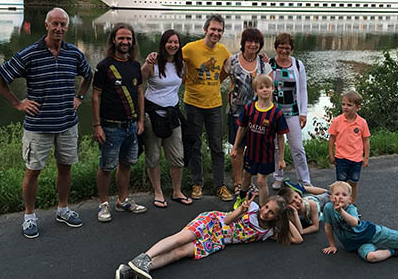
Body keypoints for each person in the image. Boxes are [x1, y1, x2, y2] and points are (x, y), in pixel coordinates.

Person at [0, 7, 92, 239]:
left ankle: (63, 209)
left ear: (67, 27)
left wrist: (80, 97)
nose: (58, 28)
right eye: (54, 23)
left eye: (62, 24)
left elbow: (88, 75)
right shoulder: (30, 54)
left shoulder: (74, 53)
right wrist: (17, 104)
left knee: (65, 168)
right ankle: (29, 216)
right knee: (32, 171)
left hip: (67, 123)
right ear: (46, 25)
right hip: (38, 127)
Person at [115, 195, 303, 279]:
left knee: (180, 252)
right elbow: (228, 220)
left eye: (271, 213)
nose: (265, 212)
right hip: (213, 221)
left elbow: (298, 239)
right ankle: (144, 258)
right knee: (180, 238)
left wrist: (291, 214)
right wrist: (241, 210)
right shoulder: (251, 209)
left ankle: (133, 270)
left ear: (277, 217)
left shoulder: (267, 232)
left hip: (216, 241)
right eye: (266, 207)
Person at [92, 22, 147, 223]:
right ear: (113, 40)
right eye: (121, 38)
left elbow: (139, 93)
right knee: (106, 166)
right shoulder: (104, 66)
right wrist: (96, 125)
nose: (125, 42)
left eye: (128, 38)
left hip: (131, 126)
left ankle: (122, 200)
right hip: (110, 125)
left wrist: (141, 120)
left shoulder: (134, 65)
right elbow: (96, 96)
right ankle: (104, 203)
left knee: (126, 164)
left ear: (133, 41)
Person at [322, 181, 398, 262]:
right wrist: (332, 245)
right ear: (331, 197)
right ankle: (396, 251)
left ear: (350, 199)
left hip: (371, 232)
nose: (340, 197)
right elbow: (328, 227)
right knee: (371, 257)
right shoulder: (328, 208)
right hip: (357, 245)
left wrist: (341, 212)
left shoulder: (351, 209)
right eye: (337, 194)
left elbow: (354, 223)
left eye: (344, 194)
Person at [180, 14, 232, 201]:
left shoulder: (223, 51)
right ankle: (197, 183)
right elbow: (173, 59)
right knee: (195, 145)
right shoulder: (190, 48)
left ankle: (220, 185)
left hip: (215, 105)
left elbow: (226, 70)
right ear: (205, 29)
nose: (216, 33)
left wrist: (217, 82)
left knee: (217, 147)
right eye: (213, 29)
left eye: (219, 30)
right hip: (193, 104)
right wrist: (184, 79)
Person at [141, 29, 192, 208]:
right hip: (152, 115)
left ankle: (177, 191)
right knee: (153, 156)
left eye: (176, 42)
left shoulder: (181, 64)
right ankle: (158, 192)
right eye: (169, 42)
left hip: (172, 114)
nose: (173, 45)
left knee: (177, 156)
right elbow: (137, 85)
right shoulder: (152, 64)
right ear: (163, 44)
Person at [224, 28, 272, 196]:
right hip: (236, 112)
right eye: (249, 41)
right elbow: (218, 78)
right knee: (237, 149)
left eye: (256, 42)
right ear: (243, 43)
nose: (252, 45)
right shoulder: (232, 61)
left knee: (253, 150)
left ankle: (247, 182)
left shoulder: (263, 63)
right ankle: (237, 182)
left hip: (258, 115)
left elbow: (270, 88)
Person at [231, 74, 287, 208]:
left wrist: (281, 159)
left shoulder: (276, 113)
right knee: (246, 177)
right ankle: (242, 200)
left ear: (273, 88)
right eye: (261, 88)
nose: (265, 90)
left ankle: (263, 209)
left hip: (266, 155)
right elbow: (242, 128)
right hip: (251, 153)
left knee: (262, 181)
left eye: (267, 87)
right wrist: (235, 147)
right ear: (256, 91)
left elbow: (280, 137)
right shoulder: (249, 109)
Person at [270, 33, 311, 189]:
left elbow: (302, 89)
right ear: (276, 47)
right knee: (275, 147)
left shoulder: (298, 65)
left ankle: (305, 180)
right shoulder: (270, 64)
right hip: (274, 113)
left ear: (291, 49)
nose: (284, 51)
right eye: (281, 47)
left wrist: (303, 113)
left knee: (297, 148)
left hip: (293, 111)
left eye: (287, 48)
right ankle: (278, 176)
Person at [327, 90, 370, 204]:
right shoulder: (337, 121)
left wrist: (366, 157)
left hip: (356, 159)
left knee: (354, 183)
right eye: (343, 104)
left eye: (349, 105)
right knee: (341, 184)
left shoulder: (362, 123)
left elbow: (366, 140)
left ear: (358, 107)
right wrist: (331, 155)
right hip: (341, 158)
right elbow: (332, 138)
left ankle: (352, 204)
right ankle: (340, 204)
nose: (345, 107)